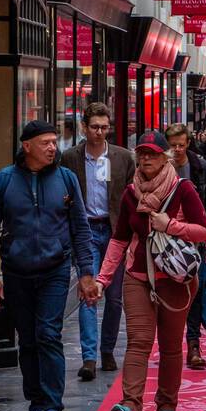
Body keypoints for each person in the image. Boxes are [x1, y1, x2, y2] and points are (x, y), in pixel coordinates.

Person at [86, 131, 206, 411]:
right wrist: (103, 278)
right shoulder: (131, 194)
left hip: (175, 280)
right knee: (139, 342)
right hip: (138, 277)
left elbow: (203, 232)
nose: (146, 159)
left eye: (153, 154)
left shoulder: (183, 189)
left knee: (170, 346)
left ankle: (167, 406)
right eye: (142, 153)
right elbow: (119, 239)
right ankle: (130, 406)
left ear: (165, 156)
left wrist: (171, 225)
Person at [0, 121, 97, 411]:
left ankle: (52, 408)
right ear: (27, 146)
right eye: (45, 142)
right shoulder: (3, 181)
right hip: (17, 272)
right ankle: (36, 407)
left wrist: (87, 273)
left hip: (55, 270)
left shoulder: (66, 179)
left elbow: (80, 228)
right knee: (28, 340)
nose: (52, 148)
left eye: (54, 142)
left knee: (48, 334)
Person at [62, 102, 135, 379]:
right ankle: (89, 356)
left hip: (115, 231)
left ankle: (107, 350)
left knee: (115, 298)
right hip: (85, 231)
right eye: (95, 127)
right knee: (88, 291)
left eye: (104, 127)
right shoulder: (70, 157)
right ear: (84, 127)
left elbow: (130, 196)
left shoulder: (123, 157)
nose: (100, 133)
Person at [165, 122, 206, 369]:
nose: (177, 150)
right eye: (172, 145)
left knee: (195, 291)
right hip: (164, 239)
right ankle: (170, 344)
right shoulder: (160, 167)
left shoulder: (200, 167)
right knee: (167, 292)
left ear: (188, 143)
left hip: (194, 238)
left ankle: (193, 343)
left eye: (181, 145)